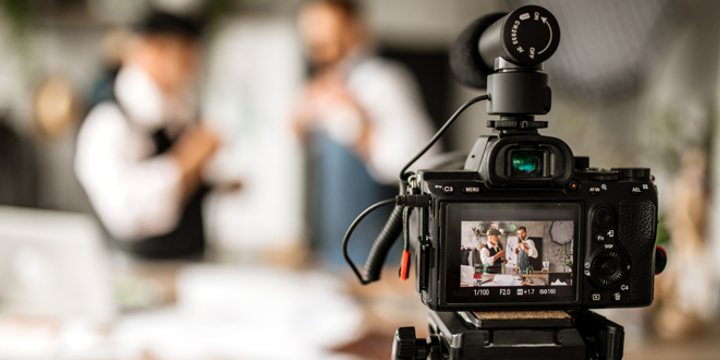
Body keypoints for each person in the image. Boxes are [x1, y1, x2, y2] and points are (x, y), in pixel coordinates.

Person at [293, 0, 437, 264]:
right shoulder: (322, 89)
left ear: (354, 29)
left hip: (378, 250)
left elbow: (417, 164)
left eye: (330, 33)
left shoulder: (384, 82)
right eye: (313, 39)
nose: (321, 46)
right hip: (332, 249)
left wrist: (356, 121)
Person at [75, 12, 219, 259]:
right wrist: (190, 160)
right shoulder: (109, 121)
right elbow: (125, 213)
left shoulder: (176, 114)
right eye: (185, 58)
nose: (192, 71)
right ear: (153, 49)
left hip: (188, 262)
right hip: (135, 269)